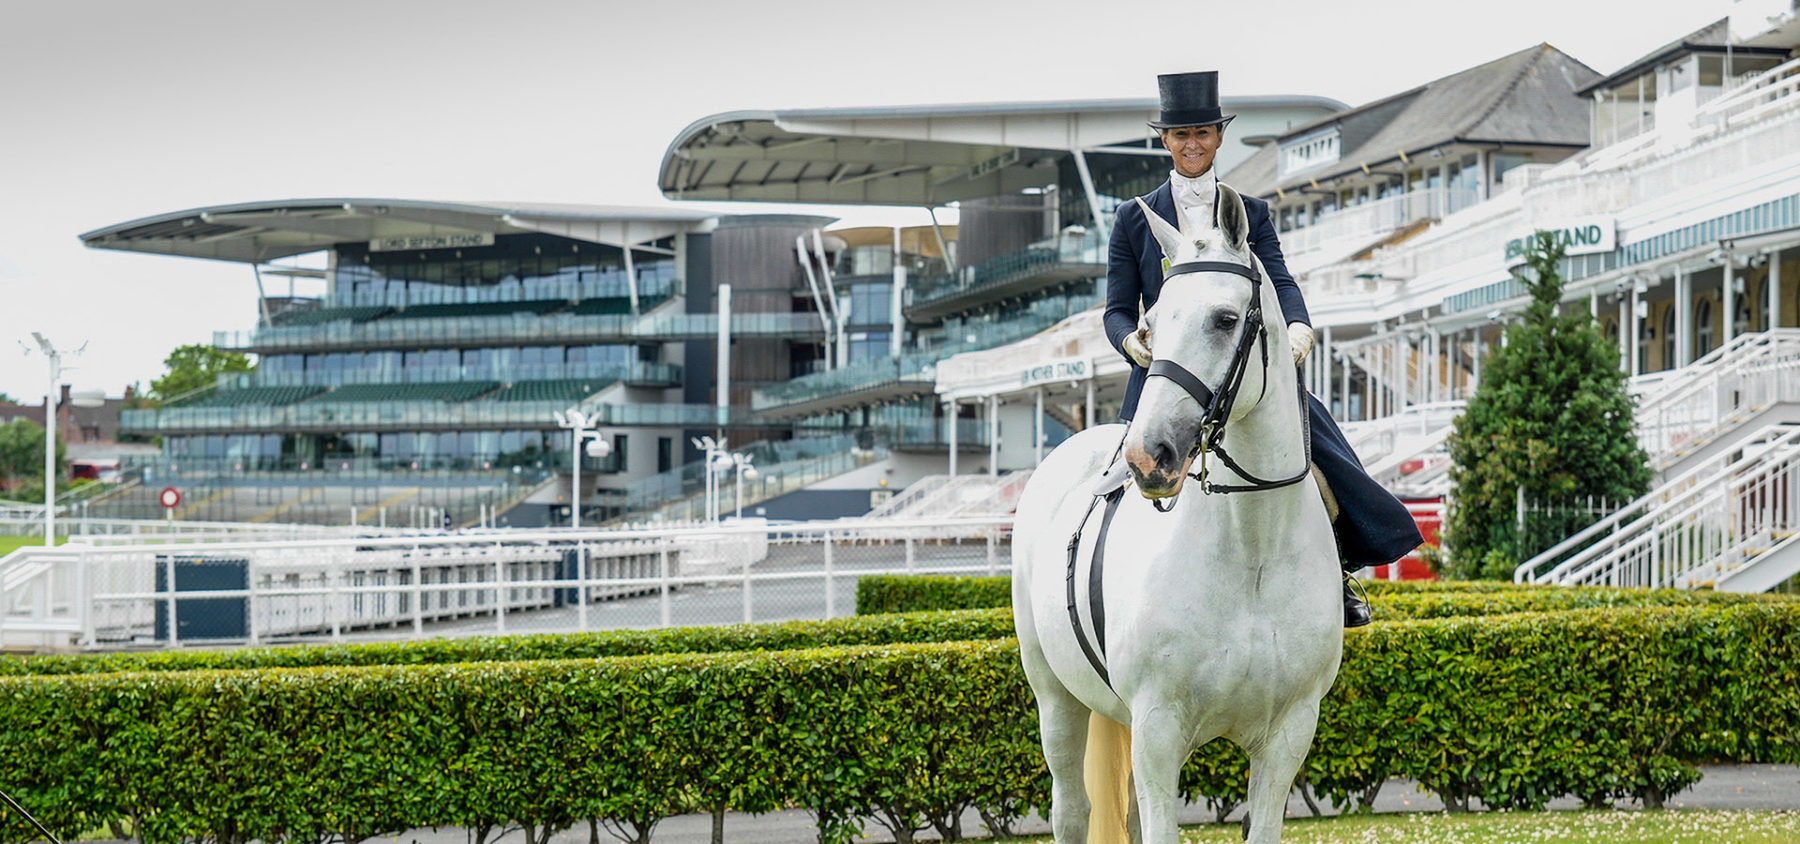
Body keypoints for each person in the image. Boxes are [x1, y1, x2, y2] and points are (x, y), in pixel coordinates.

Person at [1104, 71, 1423, 628]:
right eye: (1181, 135)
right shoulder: (1134, 217)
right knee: (1108, 488)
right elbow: (1114, 309)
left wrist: (1298, 325)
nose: (1192, 144)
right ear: (1164, 141)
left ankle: (1339, 570)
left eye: (1202, 132)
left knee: (1316, 446)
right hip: (1169, 378)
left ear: (1219, 136)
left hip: (1244, 373)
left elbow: (1280, 279)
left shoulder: (1254, 211)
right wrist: (1131, 342)